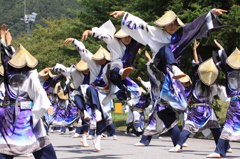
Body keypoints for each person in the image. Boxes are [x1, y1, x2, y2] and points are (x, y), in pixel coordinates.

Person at [0, 24, 57, 159]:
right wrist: (38, 113)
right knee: (38, 143)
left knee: (7, 144)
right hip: (26, 114)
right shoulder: (31, 74)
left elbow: (5, 57)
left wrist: (4, 41)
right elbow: (39, 94)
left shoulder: (9, 73)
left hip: (10, 113)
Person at [168, 40, 231, 153]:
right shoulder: (212, 85)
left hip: (197, 110)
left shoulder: (198, 81)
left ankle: (177, 146)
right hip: (208, 110)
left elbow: (196, 65)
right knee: (216, 130)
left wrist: (194, 50)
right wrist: (195, 50)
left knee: (188, 128)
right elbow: (224, 94)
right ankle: (226, 147)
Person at [64, 38, 117, 151]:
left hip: (105, 94)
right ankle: (92, 111)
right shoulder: (90, 64)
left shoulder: (111, 66)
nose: (101, 61)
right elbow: (83, 51)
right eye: (99, 59)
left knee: (103, 119)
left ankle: (97, 138)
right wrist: (74, 41)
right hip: (90, 91)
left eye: (104, 59)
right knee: (83, 93)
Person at [81, 21, 143, 105]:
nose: (127, 39)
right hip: (114, 69)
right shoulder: (113, 41)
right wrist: (89, 32)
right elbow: (103, 36)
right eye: (124, 37)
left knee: (132, 91)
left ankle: (114, 94)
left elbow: (147, 37)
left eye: (129, 37)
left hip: (125, 71)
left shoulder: (133, 44)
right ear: (120, 37)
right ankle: (121, 72)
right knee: (115, 69)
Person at [206, 40, 240, 158]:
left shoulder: (229, 70)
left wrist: (221, 48)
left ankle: (220, 151)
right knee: (229, 126)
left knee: (229, 126)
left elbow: (223, 60)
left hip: (236, 103)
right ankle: (220, 150)